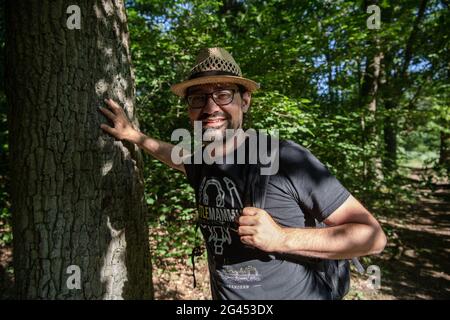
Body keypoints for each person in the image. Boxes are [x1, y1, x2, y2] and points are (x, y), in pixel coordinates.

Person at [99, 47, 387, 300]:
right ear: (189, 109)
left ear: (245, 101)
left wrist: (282, 238)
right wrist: (134, 136)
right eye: (198, 98)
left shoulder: (285, 158)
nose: (211, 108)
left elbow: (372, 237)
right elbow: (174, 156)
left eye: (223, 94)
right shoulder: (203, 160)